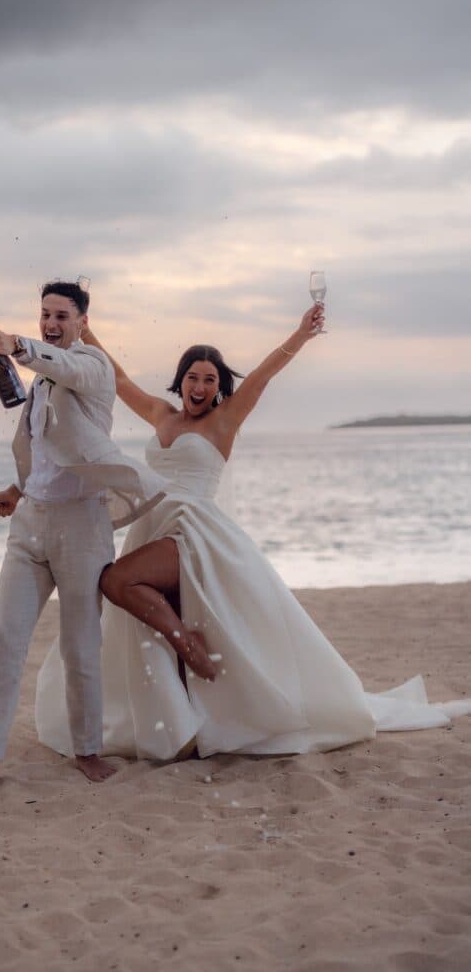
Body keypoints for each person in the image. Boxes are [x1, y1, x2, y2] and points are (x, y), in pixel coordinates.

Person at [35, 303, 471, 761]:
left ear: (219, 387)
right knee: (149, 616)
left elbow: (265, 374)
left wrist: (301, 333)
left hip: (195, 533)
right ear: (180, 379)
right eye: (193, 377)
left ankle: (190, 645)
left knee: (117, 580)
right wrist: (87, 331)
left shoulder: (224, 421)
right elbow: (118, 379)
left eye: (209, 379)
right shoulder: (161, 415)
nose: (200, 387)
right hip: (154, 526)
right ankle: (187, 723)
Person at [0, 280, 169, 798]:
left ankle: (88, 750)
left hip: (82, 529)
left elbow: (60, 363)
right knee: (5, 640)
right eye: (44, 313)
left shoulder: (91, 367)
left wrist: (18, 344)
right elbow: (44, 452)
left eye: (62, 315)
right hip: (30, 527)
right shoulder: (40, 387)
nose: (52, 321)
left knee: (80, 646)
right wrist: (15, 489)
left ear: (82, 321)